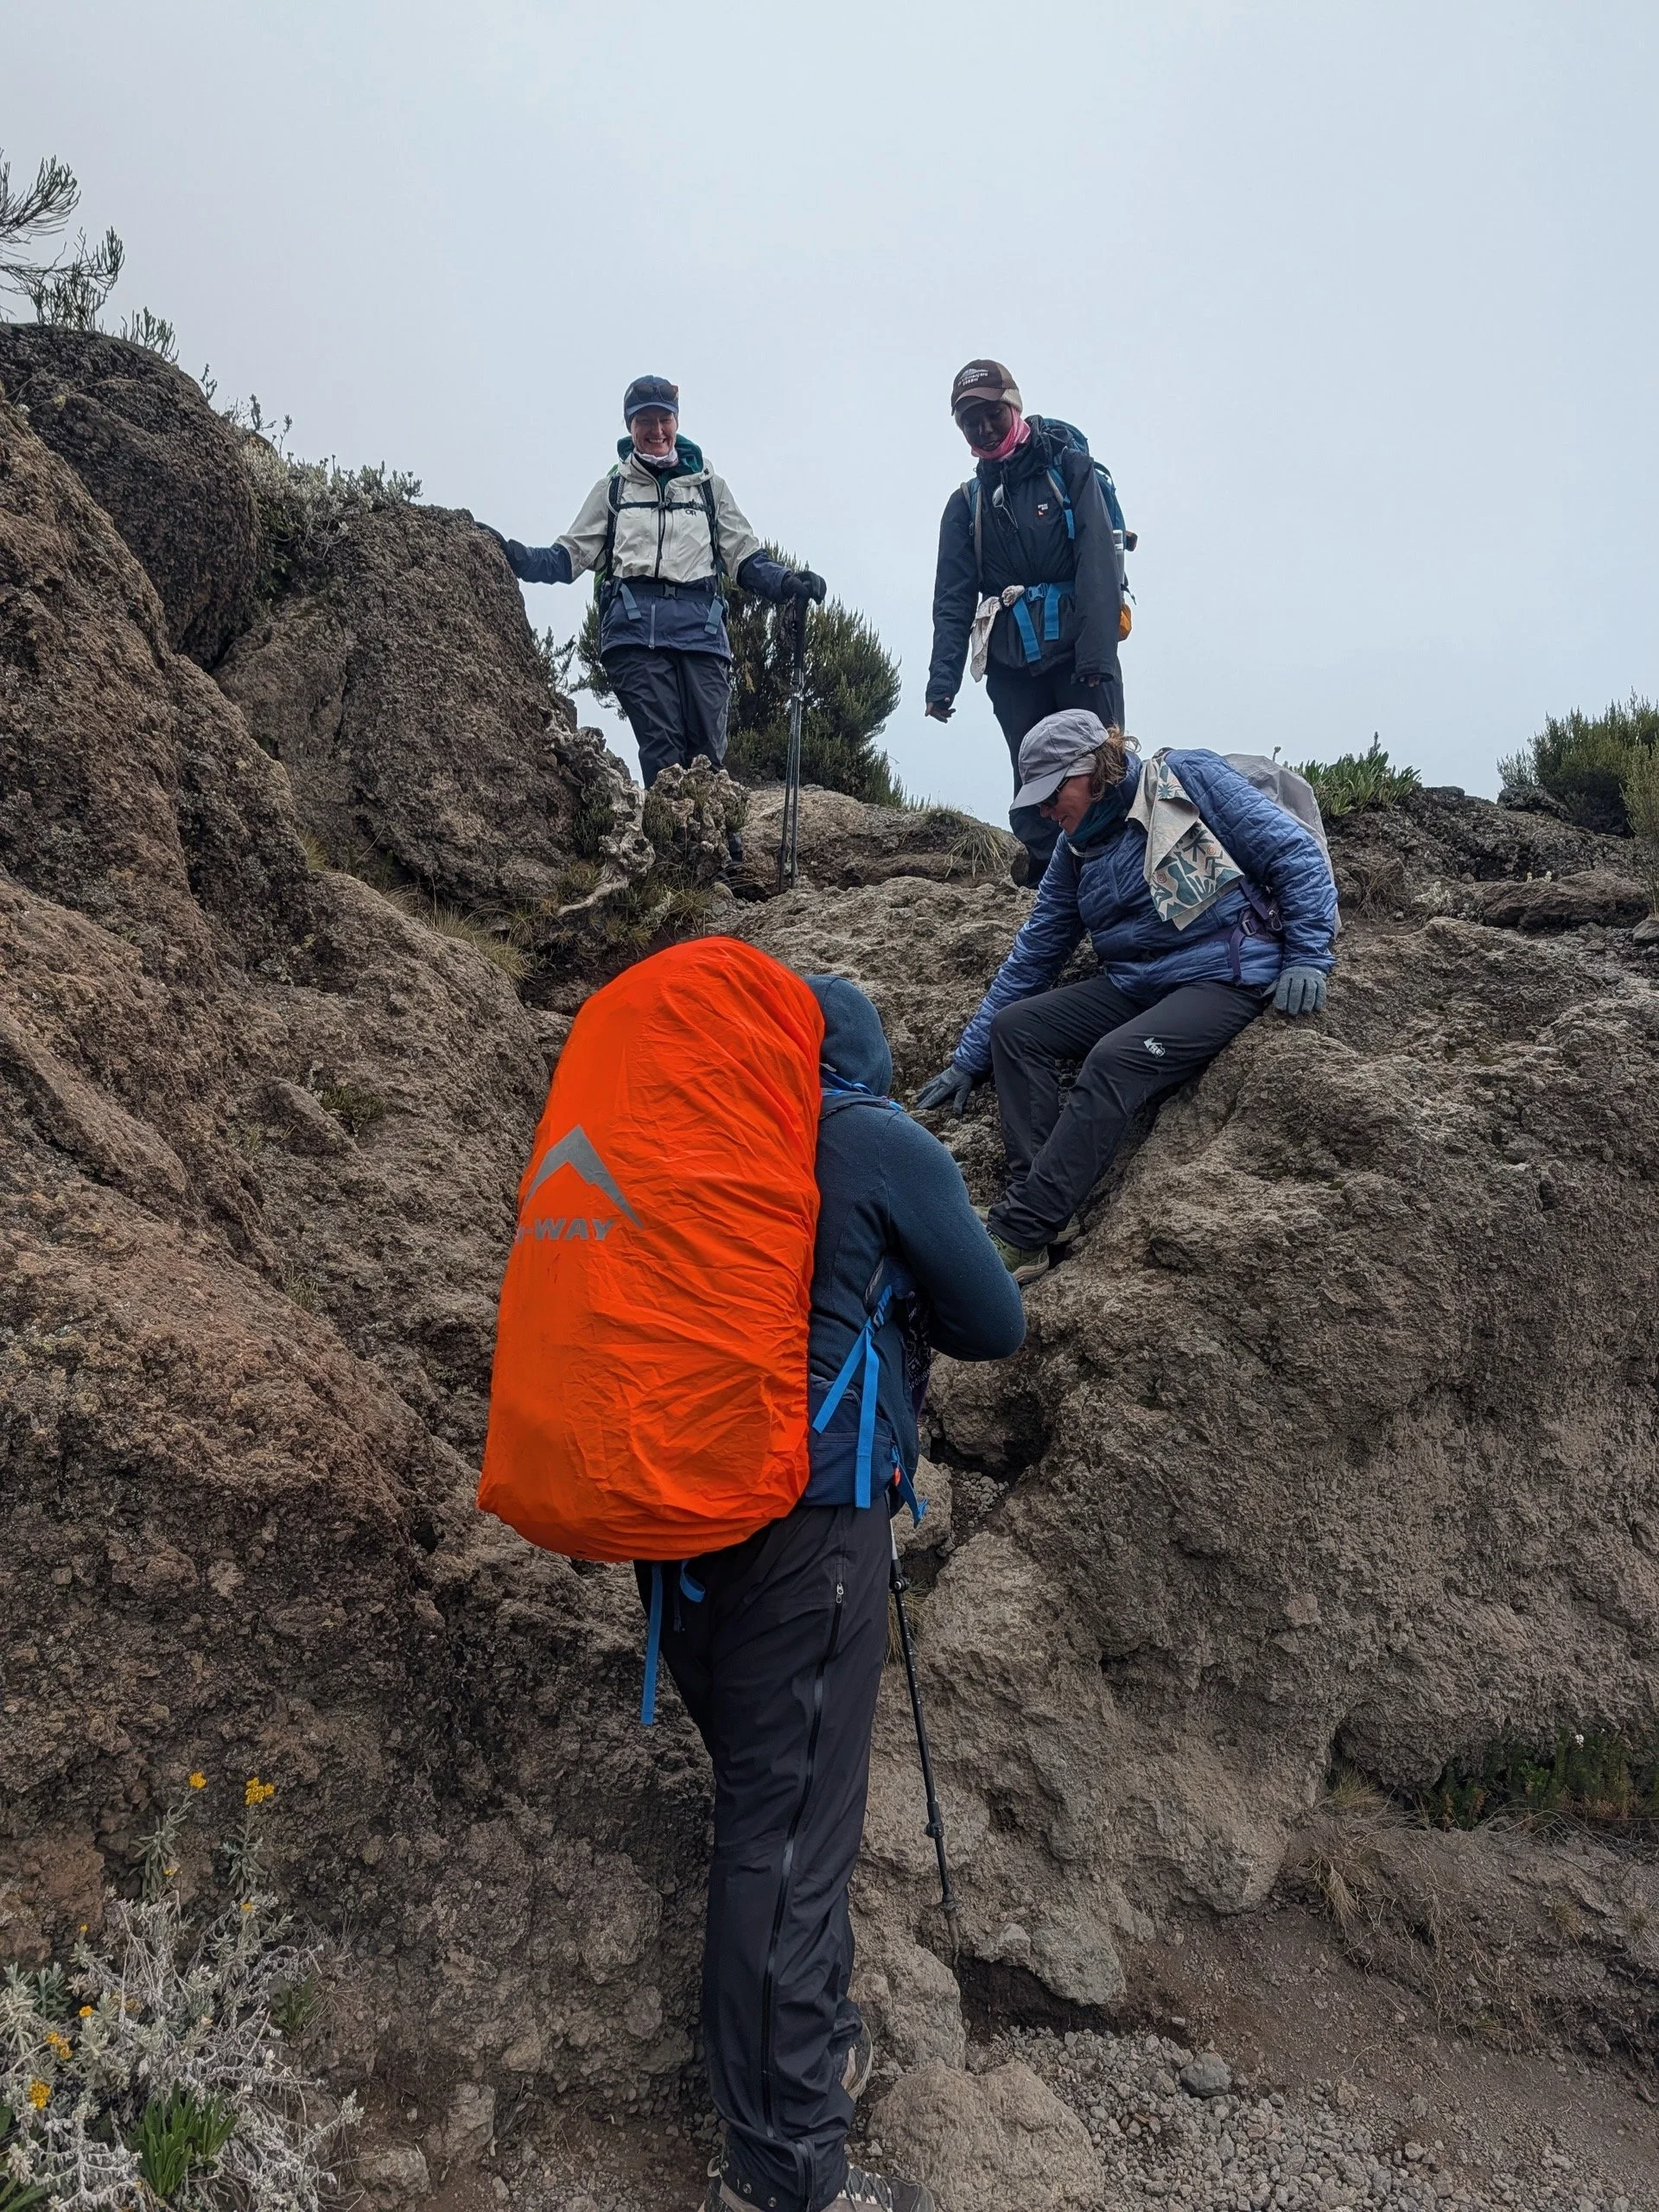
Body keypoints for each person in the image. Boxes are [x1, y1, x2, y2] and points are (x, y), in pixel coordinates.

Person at [649, 975, 1026, 2212]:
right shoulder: (869, 1137)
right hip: (806, 1535)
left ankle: (799, 2060)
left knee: (767, 1819)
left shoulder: (700, 1134)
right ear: (859, 1058)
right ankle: (786, 2174)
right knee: (790, 1841)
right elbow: (995, 1318)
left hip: (678, 1532)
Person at [915, 712, 1338, 1283]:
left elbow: (1293, 853)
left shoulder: (1184, 780)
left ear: (1093, 768)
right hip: (1138, 982)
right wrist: (969, 1057)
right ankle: (1042, 1211)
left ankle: (1018, 1234)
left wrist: (1309, 953)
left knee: (1115, 1060)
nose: (1044, 811)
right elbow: (1035, 954)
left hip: (1226, 974)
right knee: (1016, 1030)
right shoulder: (1076, 849)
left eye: (1051, 793)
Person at [484, 374, 824, 819]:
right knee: (663, 747)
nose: (656, 430)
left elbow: (745, 558)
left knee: (707, 752)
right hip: (633, 632)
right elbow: (568, 558)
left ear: (676, 422)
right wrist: (512, 555)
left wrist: (787, 582)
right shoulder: (614, 489)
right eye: (645, 420)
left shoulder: (708, 487)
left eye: (664, 419)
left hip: (702, 633)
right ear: (630, 427)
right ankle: (675, 859)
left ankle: (719, 854)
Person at [924, 360, 1125, 878]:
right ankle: (1048, 885)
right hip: (1012, 664)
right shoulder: (965, 505)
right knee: (1034, 776)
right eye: (970, 420)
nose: (984, 428)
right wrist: (942, 681)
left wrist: (1098, 655)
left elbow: (1098, 562)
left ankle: (1120, 874)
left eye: (992, 413)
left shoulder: (1069, 469)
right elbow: (953, 597)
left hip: (1080, 653)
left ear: (1013, 405)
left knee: (1101, 767)